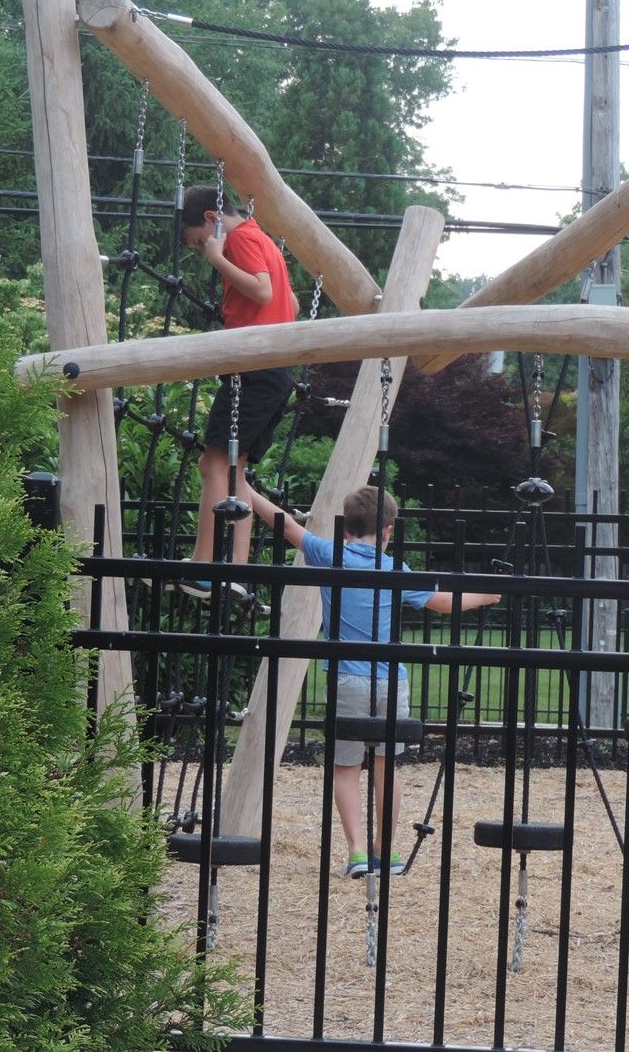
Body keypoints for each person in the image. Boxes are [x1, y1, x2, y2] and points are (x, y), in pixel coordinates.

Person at [248, 484, 501, 878]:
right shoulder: (395, 569)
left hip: (346, 678)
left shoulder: (329, 555)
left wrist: (246, 489)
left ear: (346, 525)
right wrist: (488, 595)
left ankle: (357, 852)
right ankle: (387, 851)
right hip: (389, 680)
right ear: (387, 530)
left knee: (346, 767)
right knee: (387, 766)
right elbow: (443, 603)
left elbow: (285, 525)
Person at [177, 186, 297, 601]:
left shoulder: (241, 238)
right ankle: (235, 573)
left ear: (212, 219)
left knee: (213, 465)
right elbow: (290, 302)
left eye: (199, 241)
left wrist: (217, 257)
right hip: (275, 370)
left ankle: (205, 568)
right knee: (233, 469)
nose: (202, 250)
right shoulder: (263, 239)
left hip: (255, 368)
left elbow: (262, 292)